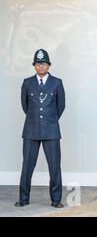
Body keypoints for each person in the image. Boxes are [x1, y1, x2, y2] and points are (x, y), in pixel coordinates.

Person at [15, 49, 66, 208]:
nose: (41, 66)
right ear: (34, 66)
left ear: (48, 65)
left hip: (51, 130)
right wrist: (35, 119)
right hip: (31, 130)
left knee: (55, 166)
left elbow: (61, 106)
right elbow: (25, 106)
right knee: (27, 166)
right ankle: (23, 199)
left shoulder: (57, 83)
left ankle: (56, 200)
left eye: (44, 64)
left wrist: (49, 121)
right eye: (38, 64)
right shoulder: (27, 83)